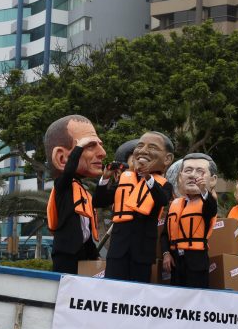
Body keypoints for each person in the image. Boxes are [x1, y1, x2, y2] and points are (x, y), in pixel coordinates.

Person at [95, 132, 174, 282]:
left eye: (152, 147)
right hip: (118, 248)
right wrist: (105, 178)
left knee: (137, 290)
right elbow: (99, 201)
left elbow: (162, 200)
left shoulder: (164, 184)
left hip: (142, 251)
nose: (143, 151)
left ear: (167, 159)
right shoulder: (124, 179)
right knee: (112, 287)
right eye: (140, 146)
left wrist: (148, 177)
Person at [44, 115, 106, 274]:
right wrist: (79, 148)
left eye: (100, 145)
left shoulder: (83, 192)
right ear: (62, 158)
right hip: (67, 255)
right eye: (90, 146)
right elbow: (68, 172)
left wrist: (106, 178)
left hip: (84, 253)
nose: (103, 153)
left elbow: (86, 231)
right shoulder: (62, 187)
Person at [163, 153, 218, 289]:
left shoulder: (207, 203)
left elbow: (211, 208)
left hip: (196, 262)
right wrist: (166, 253)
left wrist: (204, 190)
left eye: (200, 171)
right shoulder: (175, 204)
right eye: (188, 171)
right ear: (180, 177)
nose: (193, 175)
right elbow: (165, 234)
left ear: (212, 180)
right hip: (175, 262)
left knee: (195, 299)